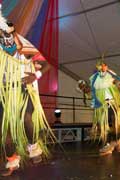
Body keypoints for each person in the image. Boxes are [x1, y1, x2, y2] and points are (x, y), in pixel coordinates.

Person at [0, 11, 55, 176]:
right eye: (2, 34)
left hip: (22, 90)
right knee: (4, 133)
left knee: (26, 119)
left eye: (8, 33)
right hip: (3, 93)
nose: (6, 37)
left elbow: (47, 64)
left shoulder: (24, 46)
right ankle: (12, 160)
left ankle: (33, 147)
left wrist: (35, 75)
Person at [89, 61, 120, 155]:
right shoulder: (95, 79)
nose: (102, 67)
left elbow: (119, 83)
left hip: (112, 104)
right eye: (100, 66)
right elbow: (91, 90)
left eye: (104, 65)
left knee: (116, 124)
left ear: (106, 66)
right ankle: (107, 145)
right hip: (103, 106)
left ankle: (117, 142)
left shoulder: (110, 76)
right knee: (102, 126)